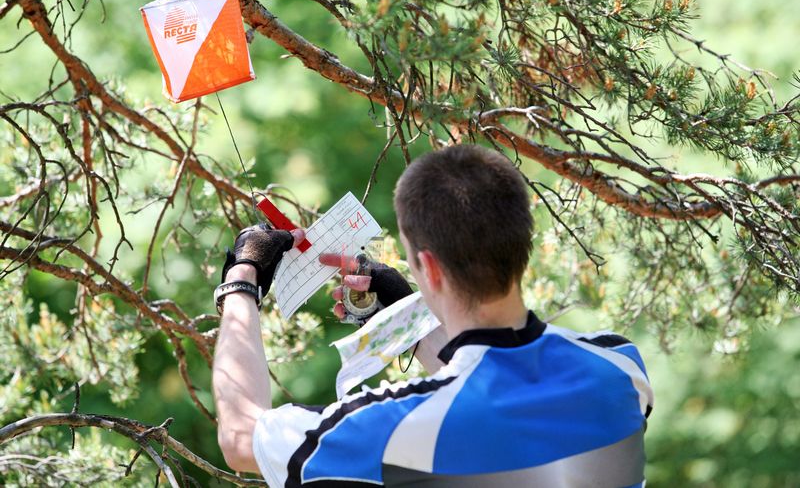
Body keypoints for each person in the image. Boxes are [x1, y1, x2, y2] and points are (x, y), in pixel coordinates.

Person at [212, 145, 654, 487]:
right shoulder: (621, 368)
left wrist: (242, 277)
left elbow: (239, 436)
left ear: (433, 268)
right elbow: (502, 397)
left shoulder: (389, 429)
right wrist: (408, 312)